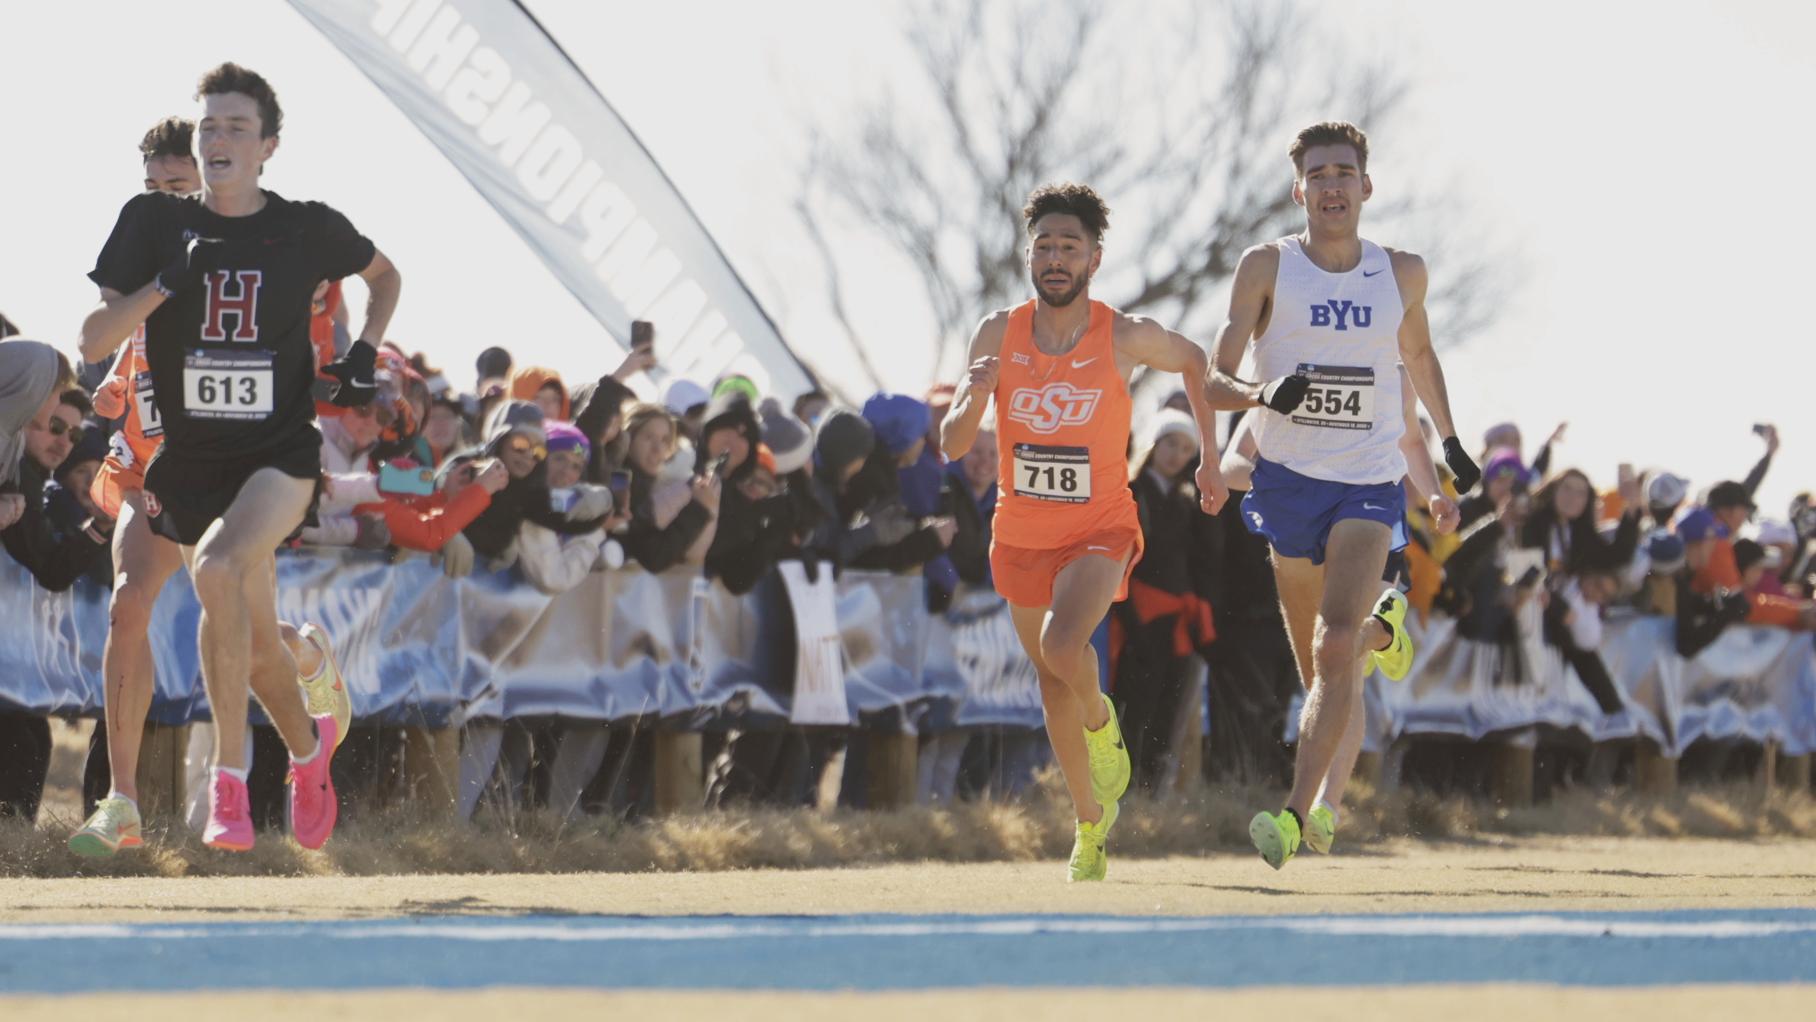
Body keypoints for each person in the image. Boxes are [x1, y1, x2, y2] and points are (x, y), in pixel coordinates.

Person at [76, 64, 400, 852]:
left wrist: (358, 356)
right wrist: (140, 328)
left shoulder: (283, 237)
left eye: (177, 183)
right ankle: (122, 800)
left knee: (249, 637)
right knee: (128, 605)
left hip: (247, 463)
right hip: (157, 462)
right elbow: (98, 336)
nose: (168, 193)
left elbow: (350, 295)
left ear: (260, 152)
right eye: (156, 182)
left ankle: (300, 687)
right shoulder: (152, 232)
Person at [1203, 122, 1479, 870]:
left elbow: (1420, 354)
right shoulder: (1267, 266)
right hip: (1288, 483)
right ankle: (1383, 638)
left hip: (1366, 481)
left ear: (1366, 186)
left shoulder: (1401, 272)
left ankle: (1296, 816)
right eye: (1318, 174)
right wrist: (1261, 394)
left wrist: (1451, 442)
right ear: (1300, 190)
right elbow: (1214, 379)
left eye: (1344, 173)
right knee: (1324, 672)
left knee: (1332, 645)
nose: (1332, 186)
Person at [940, 182, 1226, 882]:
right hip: (1020, 530)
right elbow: (952, 444)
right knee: (1050, 681)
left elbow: (1196, 361)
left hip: (1100, 525)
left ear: (1095, 258)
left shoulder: (1124, 334)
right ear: (1028, 256)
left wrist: (1212, 460)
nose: (1055, 258)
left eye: (1069, 246)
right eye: (1044, 246)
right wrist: (975, 395)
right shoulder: (996, 333)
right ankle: (1091, 824)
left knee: (1063, 644)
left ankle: (1103, 725)